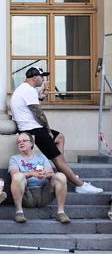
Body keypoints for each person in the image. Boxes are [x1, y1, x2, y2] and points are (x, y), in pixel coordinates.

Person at [10, 66, 102, 194]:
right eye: (42, 77)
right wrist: (47, 130)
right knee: (58, 159)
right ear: (35, 77)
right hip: (34, 130)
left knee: (59, 137)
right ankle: (80, 185)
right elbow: (39, 114)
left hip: (30, 128)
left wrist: (40, 97)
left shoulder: (23, 89)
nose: (44, 80)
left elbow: (30, 110)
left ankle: (63, 172)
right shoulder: (29, 90)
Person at [8, 132, 71, 224]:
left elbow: (50, 173)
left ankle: (60, 213)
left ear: (31, 143)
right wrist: (32, 174)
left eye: (24, 141)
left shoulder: (41, 157)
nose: (21, 143)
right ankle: (19, 212)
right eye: (19, 142)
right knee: (18, 176)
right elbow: (14, 175)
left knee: (60, 176)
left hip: (44, 193)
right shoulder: (14, 159)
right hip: (26, 194)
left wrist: (44, 174)